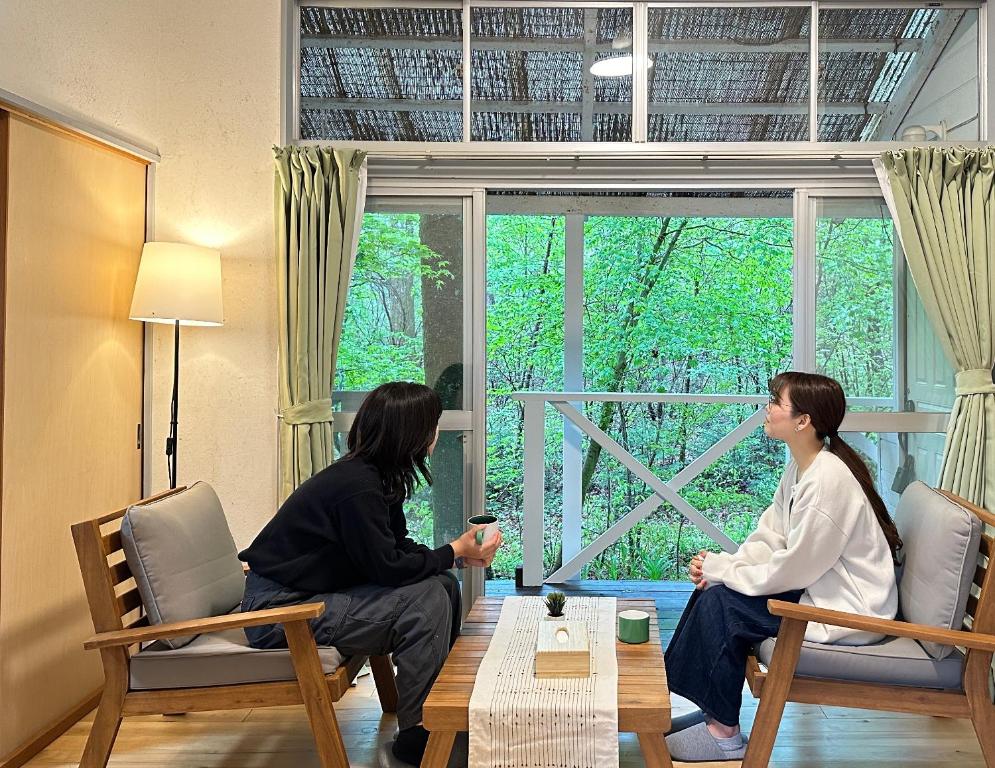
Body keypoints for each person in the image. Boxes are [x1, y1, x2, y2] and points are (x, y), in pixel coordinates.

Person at [239, 381, 502, 767]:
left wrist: (457, 558)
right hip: (280, 612)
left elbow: (394, 547)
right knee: (426, 600)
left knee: (443, 585)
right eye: (432, 426)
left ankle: (438, 710)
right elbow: (389, 568)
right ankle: (418, 734)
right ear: (410, 433)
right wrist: (453, 552)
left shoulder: (375, 476)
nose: (435, 436)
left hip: (310, 595)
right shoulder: (357, 487)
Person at [663, 371, 901, 762]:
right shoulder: (803, 465)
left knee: (724, 604)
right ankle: (714, 712)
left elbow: (795, 568)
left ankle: (723, 735)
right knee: (715, 591)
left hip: (847, 609)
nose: (768, 408)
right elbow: (772, 535)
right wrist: (723, 566)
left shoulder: (827, 480)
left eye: (776, 402)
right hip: (818, 588)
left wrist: (725, 572)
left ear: (803, 420)